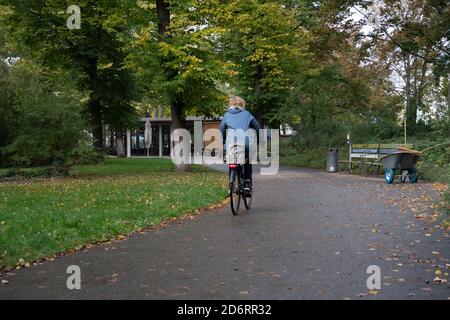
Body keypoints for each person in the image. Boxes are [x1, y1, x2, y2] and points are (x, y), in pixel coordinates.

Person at [220, 96, 260, 194]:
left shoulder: (227, 115)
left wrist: (224, 142)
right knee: (247, 160)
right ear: (242, 104)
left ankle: (231, 186)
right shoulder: (247, 114)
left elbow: (221, 130)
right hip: (245, 142)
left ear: (231, 104)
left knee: (232, 161)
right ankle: (247, 183)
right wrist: (259, 139)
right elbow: (257, 127)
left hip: (231, 143)